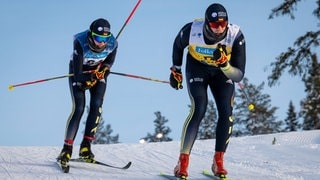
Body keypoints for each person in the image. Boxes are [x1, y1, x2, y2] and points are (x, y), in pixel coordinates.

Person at [169, 3, 246, 179]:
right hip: (197, 68)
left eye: (223, 24)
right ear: (206, 23)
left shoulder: (236, 35)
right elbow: (178, 45)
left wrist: (224, 64)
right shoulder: (191, 30)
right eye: (214, 25)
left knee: (227, 112)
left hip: (222, 73)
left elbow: (238, 75)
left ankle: (218, 161)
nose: (219, 28)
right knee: (199, 108)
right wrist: (176, 70)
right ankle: (183, 161)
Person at [57, 18, 118, 167]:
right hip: (80, 71)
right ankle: (66, 149)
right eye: (98, 38)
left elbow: (109, 62)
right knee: (79, 108)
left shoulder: (113, 43)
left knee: (97, 106)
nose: (102, 43)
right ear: (91, 35)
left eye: (105, 39)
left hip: (96, 72)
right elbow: (78, 75)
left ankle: (86, 147)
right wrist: (88, 79)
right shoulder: (80, 42)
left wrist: (104, 70)